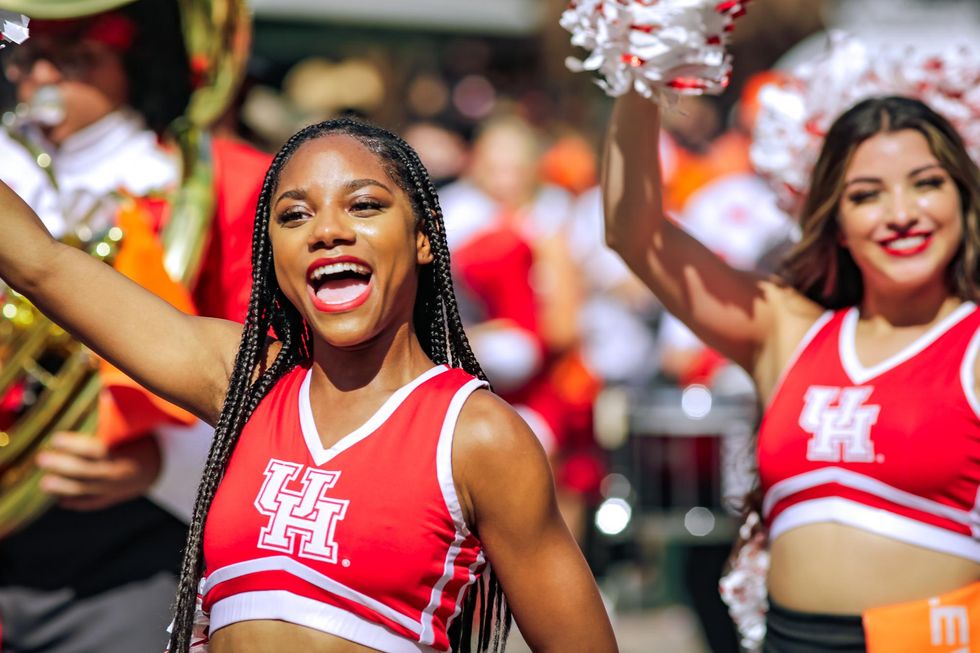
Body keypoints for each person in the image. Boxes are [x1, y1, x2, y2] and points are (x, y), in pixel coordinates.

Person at [0, 117, 619, 653]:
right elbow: (41, 263)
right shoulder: (244, 384)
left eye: (365, 205)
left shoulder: (477, 436)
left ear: (425, 236)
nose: (326, 231)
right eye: (294, 215)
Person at [604, 88, 980, 650]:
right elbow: (634, 232)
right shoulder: (788, 330)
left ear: (963, 198)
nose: (902, 214)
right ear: (836, 219)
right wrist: (641, 70)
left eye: (927, 184)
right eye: (866, 195)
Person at [0, 1, 270, 650]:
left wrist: (157, 462)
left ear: (133, 65)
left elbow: (275, 385)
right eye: (27, 60)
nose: (40, 81)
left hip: (133, 544)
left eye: (74, 61)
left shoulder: (221, 184)